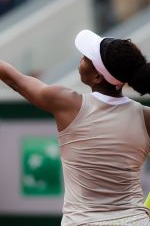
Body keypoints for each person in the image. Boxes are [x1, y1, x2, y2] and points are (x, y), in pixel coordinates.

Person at [0, 29, 150, 226]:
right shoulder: (146, 117)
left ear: (97, 77)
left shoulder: (67, 102)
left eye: (88, 57)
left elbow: (14, 80)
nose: (82, 57)